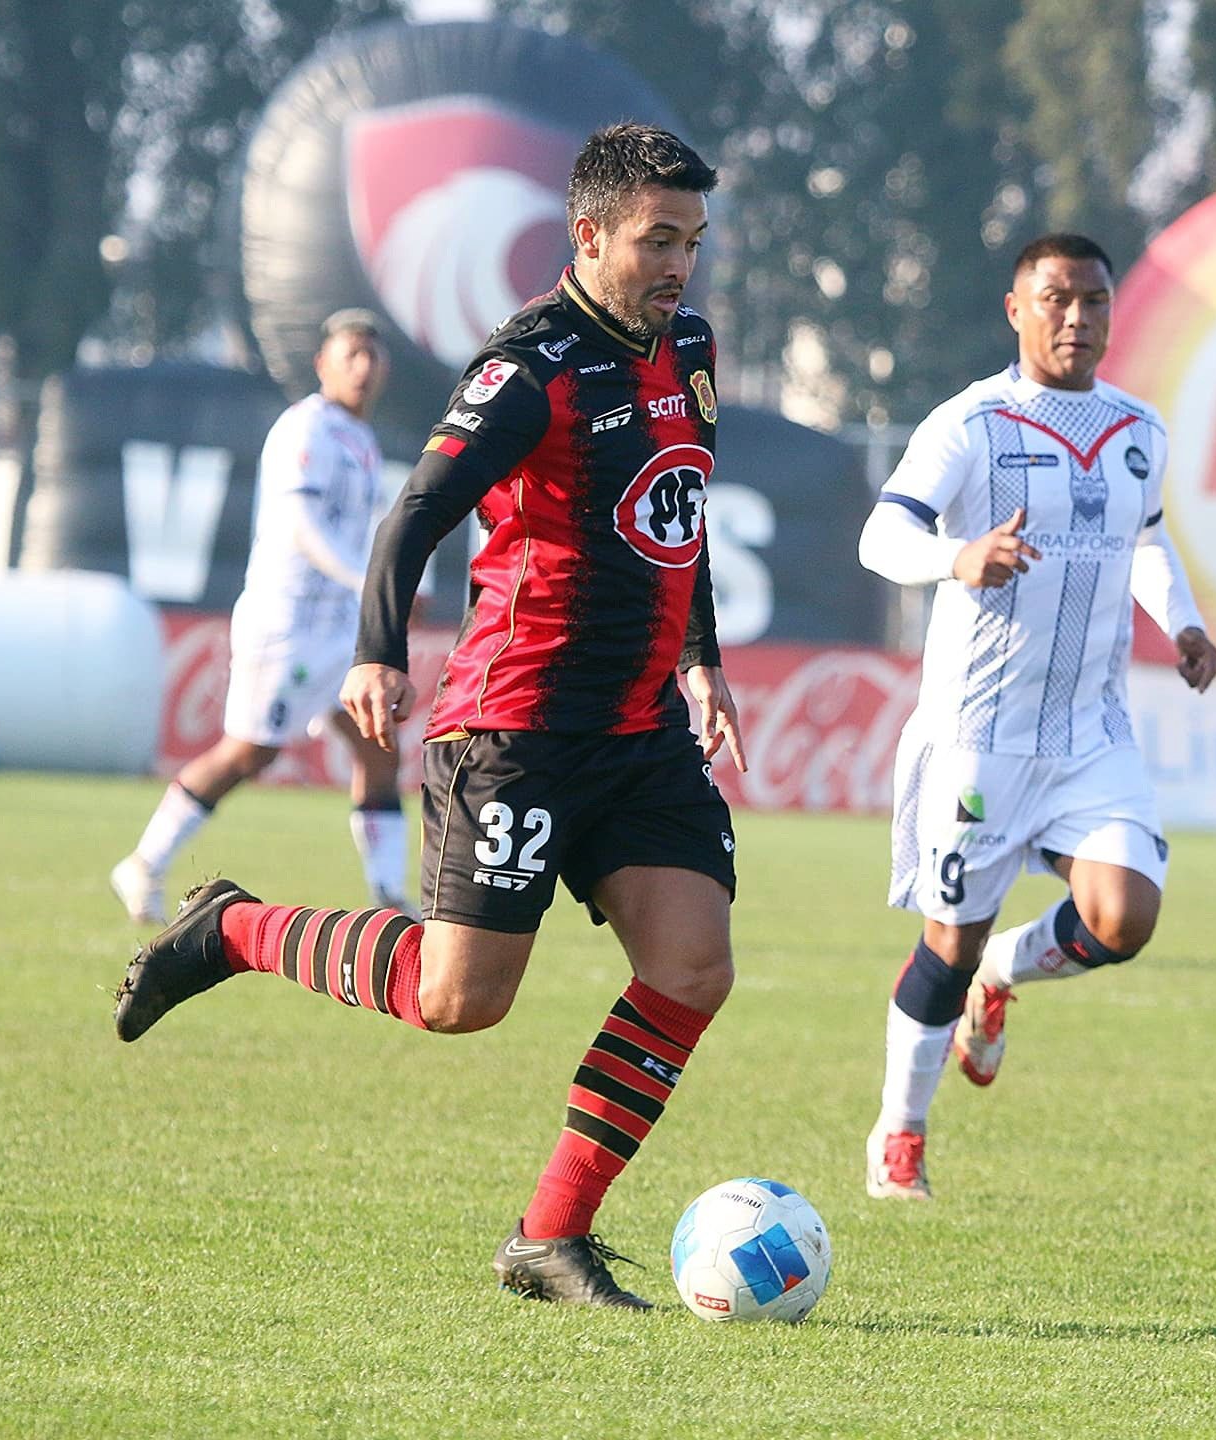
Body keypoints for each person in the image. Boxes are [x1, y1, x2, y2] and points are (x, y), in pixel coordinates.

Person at [110, 123, 746, 1309]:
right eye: (659, 240)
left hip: (640, 729)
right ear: (590, 233)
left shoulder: (692, 346)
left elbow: (682, 510)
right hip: (516, 726)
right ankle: (233, 929)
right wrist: (376, 653)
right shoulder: (534, 365)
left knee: (692, 965)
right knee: (462, 1001)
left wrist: (701, 660)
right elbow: (415, 514)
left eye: (693, 242)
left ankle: (548, 1237)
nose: (679, 266)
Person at [856, 233, 1216, 1200]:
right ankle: (901, 1133)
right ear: (1016, 310)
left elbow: (1145, 538)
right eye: (1056, 299)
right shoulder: (970, 423)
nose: (1077, 318)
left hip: (1091, 731)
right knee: (947, 944)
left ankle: (1005, 973)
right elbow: (882, 534)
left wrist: (1182, 624)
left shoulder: (1139, 428)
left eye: (1094, 301)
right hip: (980, 736)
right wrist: (957, 557)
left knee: (1124, 914)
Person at [110, 310, 407, 925]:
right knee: (250, 753)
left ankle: (388, 898)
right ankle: (144, 862)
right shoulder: (308, 429)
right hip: (288, 623)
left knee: (379, 747)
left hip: (338, 627)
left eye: (372, 354)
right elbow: (302, 527)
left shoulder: (363, 439)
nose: (363, 364)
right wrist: (368, 579)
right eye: (350, 353)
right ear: (323, 364)